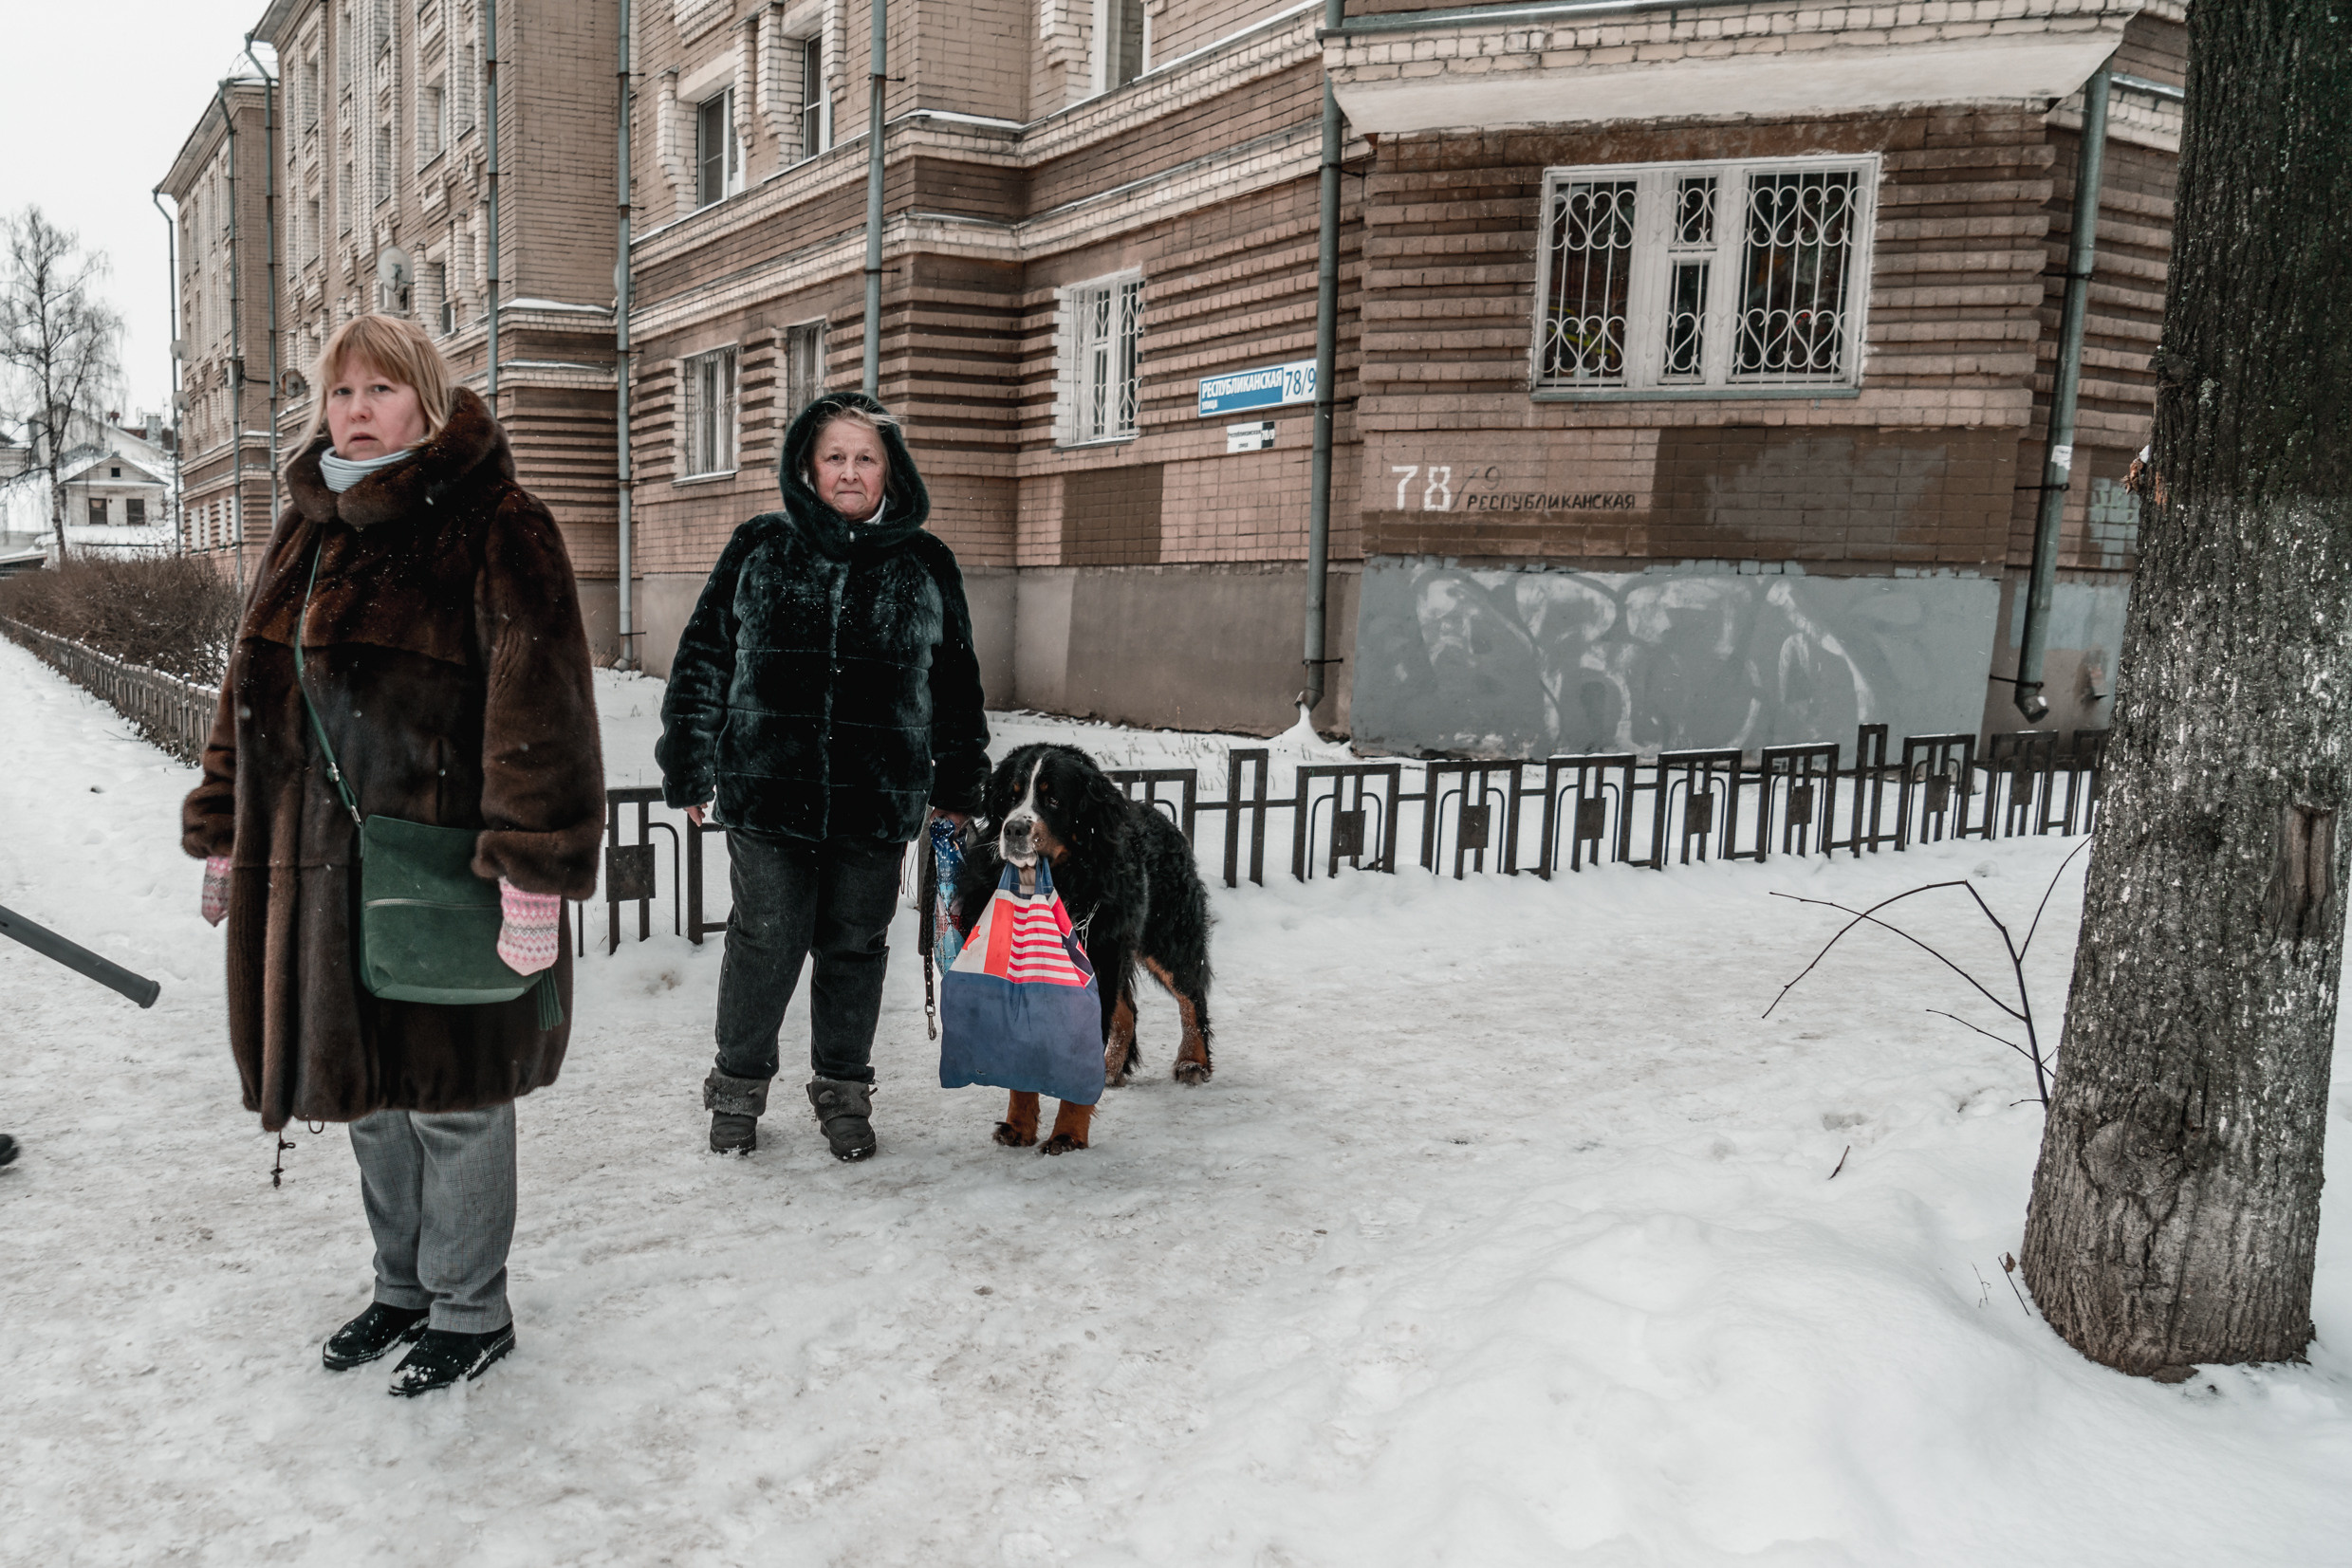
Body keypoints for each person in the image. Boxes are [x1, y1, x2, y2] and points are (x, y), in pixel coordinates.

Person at [181, 314, 603, 1395]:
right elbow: (247, 696)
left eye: (379, 390)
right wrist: (225, 828)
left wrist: (533, 871)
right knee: (369, 1100)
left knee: (453, 1102)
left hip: (442, 873)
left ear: (426, 399)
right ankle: (402, 1288)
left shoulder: (496, 522)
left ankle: (471, 1308)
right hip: (315, 881)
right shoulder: (303, 529)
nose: (356, 411)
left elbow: (543, 708)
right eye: (340, 393)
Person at [658, 392, 989, 1160]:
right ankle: (737, 1089)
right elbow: (703, 659)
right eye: (834, 456)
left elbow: (957, 686)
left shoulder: (926, 563)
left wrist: (957, 788)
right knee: (765, 939)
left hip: (877, 797)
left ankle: (843, 1090)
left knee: (854, 945)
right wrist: (689, 764)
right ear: (807, 466)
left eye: (865, 458)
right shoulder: (760, 545)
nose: (849, 471)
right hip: (767, 789)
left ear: (890, 471)